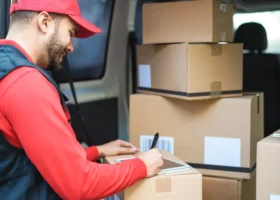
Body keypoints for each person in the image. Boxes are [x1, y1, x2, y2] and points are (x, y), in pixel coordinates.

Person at [0, 0, 164, 199]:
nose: (71, 47)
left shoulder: (6, 67)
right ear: (44, 22)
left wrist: (97, 151)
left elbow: (29, 160)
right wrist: (143, 165)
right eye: (70, 32)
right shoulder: (26, 83)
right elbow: (79, 184)